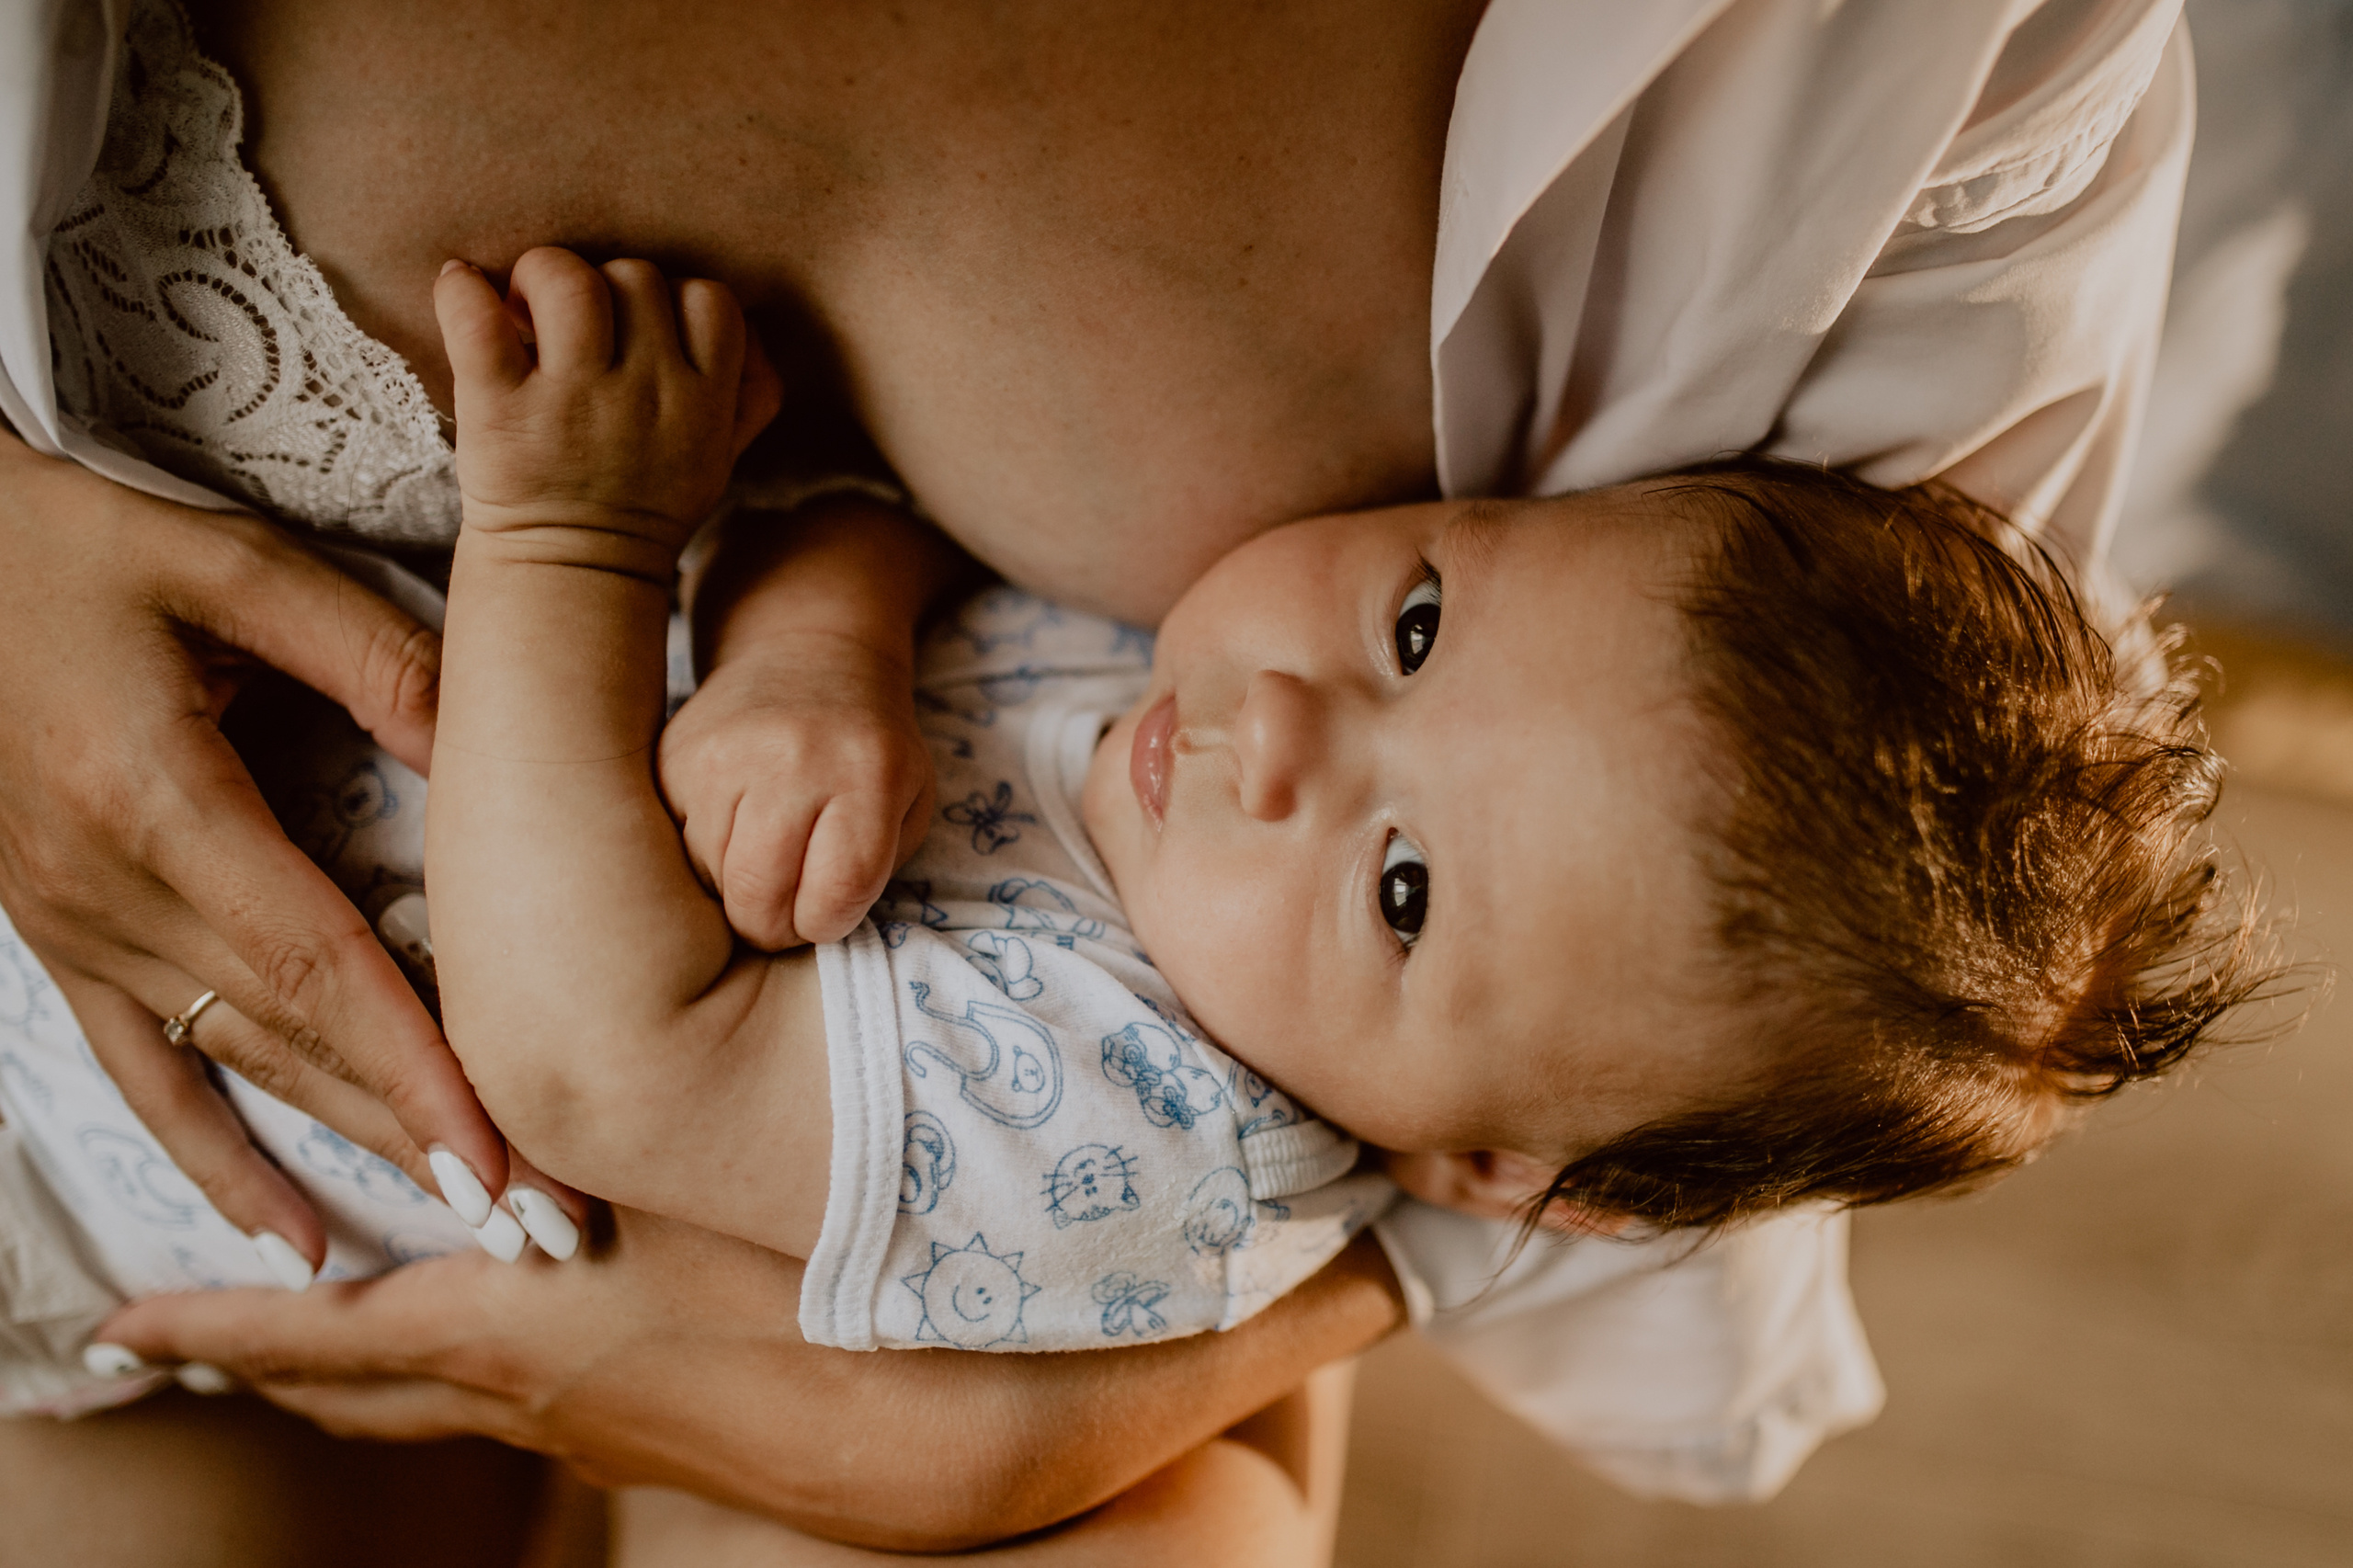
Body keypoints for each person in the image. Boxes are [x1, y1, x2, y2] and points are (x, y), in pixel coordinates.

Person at [0, 0, 2200, 1558]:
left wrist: (582, 538)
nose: (1276, 730)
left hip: (122, 1143)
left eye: (1404, 890)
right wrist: (822, 628)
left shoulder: (1145, 1120)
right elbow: (960, 597)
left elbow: (586, 1056)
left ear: (1501, 1161)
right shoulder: (1239, 739)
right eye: (1420, 615)